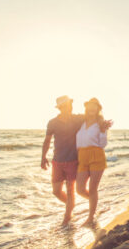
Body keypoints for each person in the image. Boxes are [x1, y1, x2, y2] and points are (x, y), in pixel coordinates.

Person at [41, 95, 112, 226]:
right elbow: (49, 140)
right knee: (68, 190)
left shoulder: (88, 121)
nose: (70, 107)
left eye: (70, 105)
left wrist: (103, 128)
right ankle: (88, 204)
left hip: (85, 158)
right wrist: (43, 157)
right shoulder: (67, 122)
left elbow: (101, 138)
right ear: (61, 108)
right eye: (67, 105)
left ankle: (79, 218)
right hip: (69, 159)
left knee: (83, 190)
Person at [76, 97, 109, 226]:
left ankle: (90, 217)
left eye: (94, 106)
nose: (91, 108)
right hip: (82, 156)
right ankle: (95, 204)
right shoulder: (81, 123)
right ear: (86, 108)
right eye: (89, 106)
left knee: (92, 188)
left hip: (96, 155)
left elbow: (103, 144)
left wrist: (102, 131)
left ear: (98, 109)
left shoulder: (100, 124)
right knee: (79, 189)